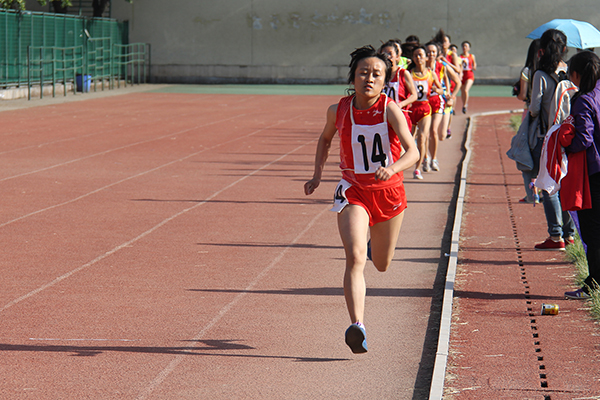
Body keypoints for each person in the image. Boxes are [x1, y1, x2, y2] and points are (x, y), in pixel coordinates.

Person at [304, 45, 419, 353]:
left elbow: (413, 151)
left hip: (389, 193)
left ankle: (373, 245)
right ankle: (358, 325)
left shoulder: (390, 109)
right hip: (353, 190)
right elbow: (325, 139)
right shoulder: (338, 110)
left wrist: (392, 168)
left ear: (385, 81)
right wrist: (317, 175)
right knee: (355, 257)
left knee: (381, 264)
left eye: (376, 74)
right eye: (363, 73)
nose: (369, 78)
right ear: (353, 77)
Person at [529, 29, 576, 250]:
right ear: (564, 49)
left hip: (547, 136)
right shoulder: (571, 71)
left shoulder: (540, 74)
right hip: (569, 135)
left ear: (542, 49)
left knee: (549, 184)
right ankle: (570, 233)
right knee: (566, 182)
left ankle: (555, 235)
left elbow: (534, 108)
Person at [563, 50, 600, 299]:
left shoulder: (584, 100)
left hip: (594, 172)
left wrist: (564, 145)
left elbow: (584, 138)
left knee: (592, 231)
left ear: (578, 74)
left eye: (570, 73)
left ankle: (593, 284)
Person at [408, 45, 443, 179]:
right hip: (411, 109)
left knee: (422, 137)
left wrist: (436, 90)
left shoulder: (431, 73)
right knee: (409, 140)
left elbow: (441, 90)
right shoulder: (409, 73)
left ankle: (418, 169)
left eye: (421, 55)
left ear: (426, 57)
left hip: (424, 109)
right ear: (413, 58)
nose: (418, 58)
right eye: (416, 55)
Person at [517, 39, 541, 204]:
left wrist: (518, 91)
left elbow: (522, 95)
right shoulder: (549, 70)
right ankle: (542, 189)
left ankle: (532, 193)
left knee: (527, 151)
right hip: (546, 115)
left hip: (529, 114)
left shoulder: (527, 70)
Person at [379, 40, 418, 131]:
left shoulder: (403, 73)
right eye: (384, 54)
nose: (387, 56)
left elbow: (414, 95)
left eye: (390, 53)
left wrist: (400, 104)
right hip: (383, 116)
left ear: (397, 56)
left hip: (401, 117)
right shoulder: (380, 75)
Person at [460, 41, 477, 114]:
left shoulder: (471, 56)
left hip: (469, 74)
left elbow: (474, 65)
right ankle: (464, 104)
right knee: (462, 91)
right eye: (463, 46)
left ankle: (464, 105)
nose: (464, 47)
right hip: (462, 75)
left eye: (466, 46)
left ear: (469, 48)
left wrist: (473, 66)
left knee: (466, 90)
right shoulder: (459, 57)